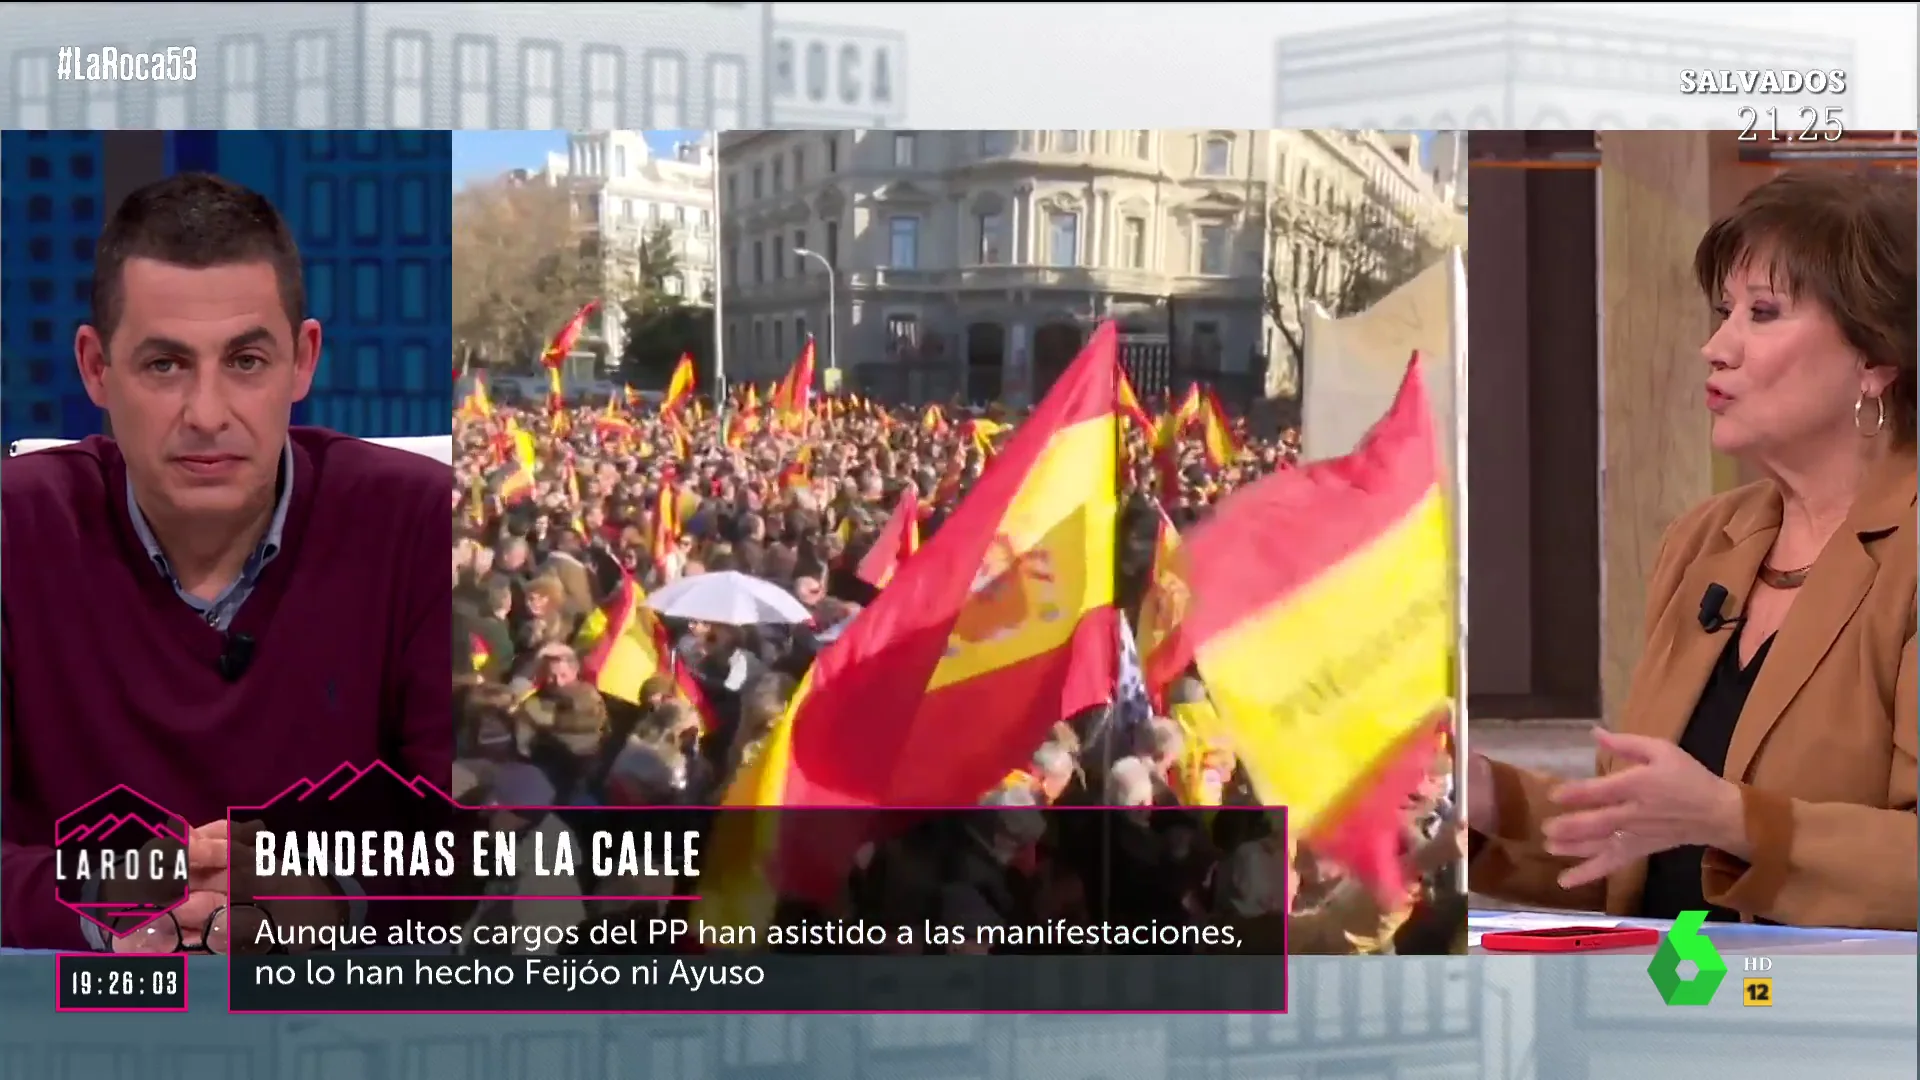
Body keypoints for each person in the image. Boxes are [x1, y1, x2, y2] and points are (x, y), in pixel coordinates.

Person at [1, 173, 452, 950]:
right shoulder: (15, 527)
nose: (207, 414)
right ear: (96, 369)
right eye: (165, 366)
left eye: (245, 361)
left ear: (303, 361)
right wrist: (104, 899)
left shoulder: (423, 521)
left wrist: (325, 897)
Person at [1468, 169, 1917, 931]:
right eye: (1724, 312)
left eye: (1763, 313)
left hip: (1844, 1033)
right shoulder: (1706, 541)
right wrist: (1485, 800)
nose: (1716, 347)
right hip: (1681, 1010)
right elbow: (1642, 863)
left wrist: (1732, 818)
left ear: (1875, 360)